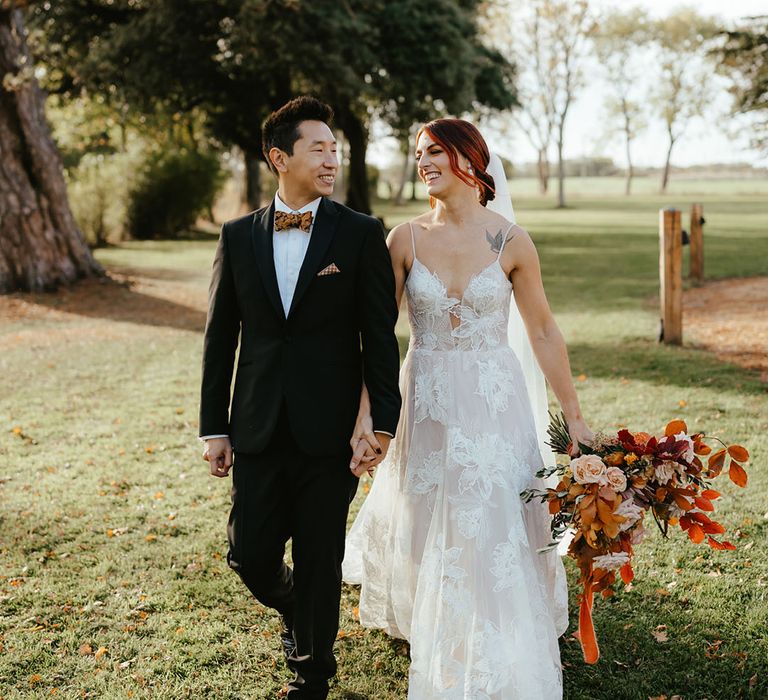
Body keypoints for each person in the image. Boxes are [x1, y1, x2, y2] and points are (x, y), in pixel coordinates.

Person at [343, 118, 594, 699]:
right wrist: (366, 417)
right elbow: (378, 337)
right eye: (418, 154)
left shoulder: (510, 241)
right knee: (427, 506)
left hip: (492, 398)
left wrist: (573, 416)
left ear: (470, 161)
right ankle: (423, 615)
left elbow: (544, 332)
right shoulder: (403, 239)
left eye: (435, 152)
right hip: (425, 393)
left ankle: (502, 615)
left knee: (492, 507)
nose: (422, 162)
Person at [198, 96, 401, 699]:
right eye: (318, 147)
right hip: (256, 425)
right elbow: (219, 340)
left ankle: (313, 676)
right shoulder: (236, 238)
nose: (331, 158)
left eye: (334, 149)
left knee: (320, 558)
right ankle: (292, 609)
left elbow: (379, 338)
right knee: (250, 554)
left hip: (330, 429)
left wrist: (380, 424)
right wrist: (215, 427)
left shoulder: (362, 234)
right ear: (278, 157)